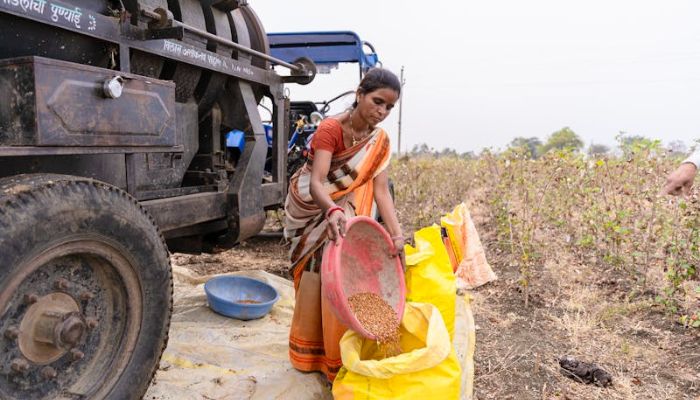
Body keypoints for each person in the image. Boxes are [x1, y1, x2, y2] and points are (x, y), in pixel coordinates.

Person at [284, 68, 404, 381]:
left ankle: (337, 354)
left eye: (390, 107)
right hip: (313, 203)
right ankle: (310, 353)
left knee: (342, 271)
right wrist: (333, 210)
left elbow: (380, 192)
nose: (382, 111)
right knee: (314, 272)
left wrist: (397, 236)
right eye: (378, 101)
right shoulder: (331, 129)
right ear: (359, 94)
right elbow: (317, 184)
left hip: (343, 203)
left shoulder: (379, 141)